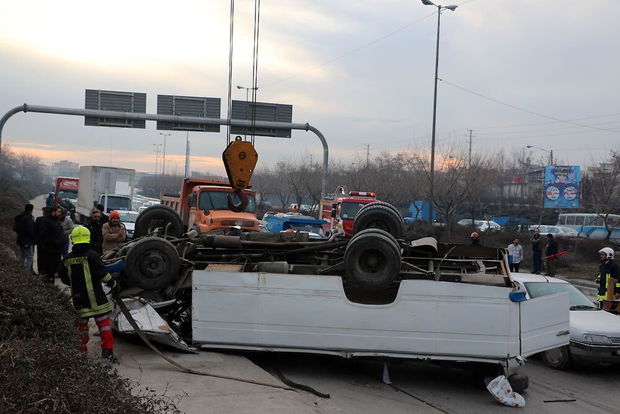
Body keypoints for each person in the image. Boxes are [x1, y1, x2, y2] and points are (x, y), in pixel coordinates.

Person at [59, 226, 118, 361]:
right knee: (104, 326)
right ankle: (107, 352)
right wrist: (113, 284)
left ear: (73, 240)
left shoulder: (67, 259)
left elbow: (64, 277)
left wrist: (74, 283)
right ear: (88, 239)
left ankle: (81, 354)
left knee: (81, 328)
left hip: (79, 300)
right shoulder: (92, 255)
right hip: (97, 299)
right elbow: (102, 274)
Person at [35, 206, 66, 283]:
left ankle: (51, 287)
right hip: (48, 252)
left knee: (53, 272)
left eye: (60, 212)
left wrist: (62, 241)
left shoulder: (57, 222)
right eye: (58, 212)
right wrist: (55, 242)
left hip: (56, 252)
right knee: (47, 273)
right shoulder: (46, 221)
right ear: (53, 212)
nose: (60, 213)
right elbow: (43, 236)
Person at [13, 203, 35, 270]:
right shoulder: (28, 218)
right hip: (27, 241)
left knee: (22, 256)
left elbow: (15, 228)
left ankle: (19, 270)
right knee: (29, 257)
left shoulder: (20, 216)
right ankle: (26, 272)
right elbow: (30, 230)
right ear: (31, 210)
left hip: (20, 239)